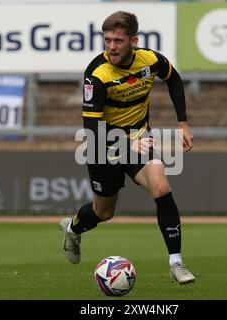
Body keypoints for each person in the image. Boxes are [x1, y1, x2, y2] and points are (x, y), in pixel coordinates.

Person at [59, 11, 195, 284]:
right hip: (104, 148)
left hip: (140, 140)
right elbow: (91, 128)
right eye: (107, 40)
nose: (111, 47)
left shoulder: (150, 60)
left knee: (161, 188)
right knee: (103, 213)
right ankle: (73, 228)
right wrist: (129, 140)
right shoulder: (97, 74)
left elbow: (174, 79)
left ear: (133, 40)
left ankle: (176, 264)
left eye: (118, 41)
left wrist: (182, 123)